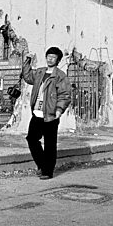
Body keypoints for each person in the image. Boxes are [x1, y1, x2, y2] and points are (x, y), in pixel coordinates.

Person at [22, 46, 71, 180]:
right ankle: (42, 165)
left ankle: (48, 171)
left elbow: (65, 94)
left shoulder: (60, 76)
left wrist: (59, 110)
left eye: (53, 57)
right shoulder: (39, 72)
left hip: (51, 114)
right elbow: (27, 77)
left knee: (50, 143)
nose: (50, 59)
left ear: (58, 60)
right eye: (48, 56)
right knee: (32, 139)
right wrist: (27, 62)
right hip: (37, 113)